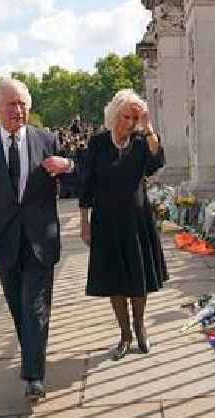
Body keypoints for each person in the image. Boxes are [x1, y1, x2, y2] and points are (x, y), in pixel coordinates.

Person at [0, 78, 75, 401]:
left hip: (41, 239)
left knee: (35, 305)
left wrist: (67, 165)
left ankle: (33, 375)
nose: (18, 110)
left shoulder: (47, 139)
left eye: (23, 104)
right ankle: (32, 356)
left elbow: (81, 179)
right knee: (19, 307)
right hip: (4, 243)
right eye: (11, 104)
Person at [79, 89, 168, 361]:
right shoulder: (98, 144)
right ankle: (125, 334)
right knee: (115, 280)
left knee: (137, 278)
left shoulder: (142, 142)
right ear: (115, 115)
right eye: (126, 116)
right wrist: (84, 221)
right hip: (106, 220)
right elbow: (87, 184)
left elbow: (156, 162)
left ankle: (140, 329)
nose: (129, 122)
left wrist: (149, 127)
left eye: (134, 118)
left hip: (137, 219)